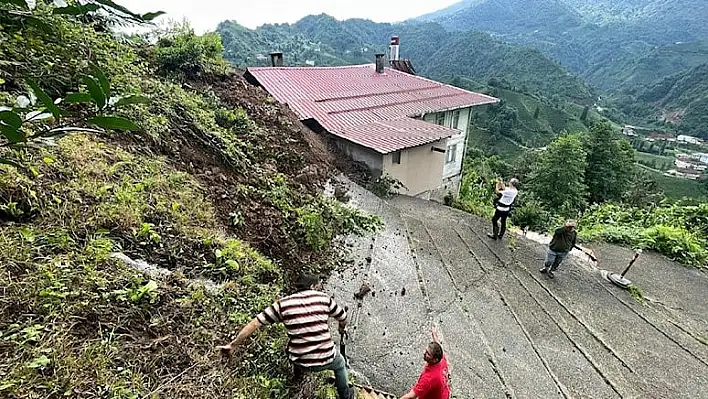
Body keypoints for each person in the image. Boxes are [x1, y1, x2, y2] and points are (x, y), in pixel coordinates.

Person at [216, 274, 354, 399]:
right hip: (327, 359)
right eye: (317, 286)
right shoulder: (323, 298)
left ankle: (298, 375)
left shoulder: (282, 304)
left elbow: (255, 323)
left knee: (290, 348)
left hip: (300, 361)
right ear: (312, 286)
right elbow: (343, 317)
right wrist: (341, 328)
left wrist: (233, 344)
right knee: (340, 364)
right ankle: (345, 395)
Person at [400, 327, 451, 399]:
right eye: (426, 350)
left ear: (435, 360)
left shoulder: (429, 378)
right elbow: (439, 347)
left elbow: (411, 396)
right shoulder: (441, 359)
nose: (424, 353)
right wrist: (434, 335)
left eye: (428, 353)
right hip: (444, 393)